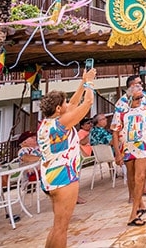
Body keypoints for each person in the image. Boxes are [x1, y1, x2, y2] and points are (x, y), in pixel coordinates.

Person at [37, 69, 96, 248]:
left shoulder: (47, 124)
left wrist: (82, 81)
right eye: (63, 104)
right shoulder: (61, 125)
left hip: (49, 176)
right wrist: (90, 83)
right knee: (62, 227)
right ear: (57, 109)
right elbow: (87, 102)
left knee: (57, 225)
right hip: (64, 177)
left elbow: (73, 103)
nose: (67, 105)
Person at [111, 77, 146, 226]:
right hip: (127, 146)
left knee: (140, 177)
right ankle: (139, 204)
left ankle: (133, 213)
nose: (141, 86)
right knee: (131, 176)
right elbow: (115, 131)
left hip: (143, 145)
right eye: (138, 84)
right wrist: (117, 153)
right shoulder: (121, 105)